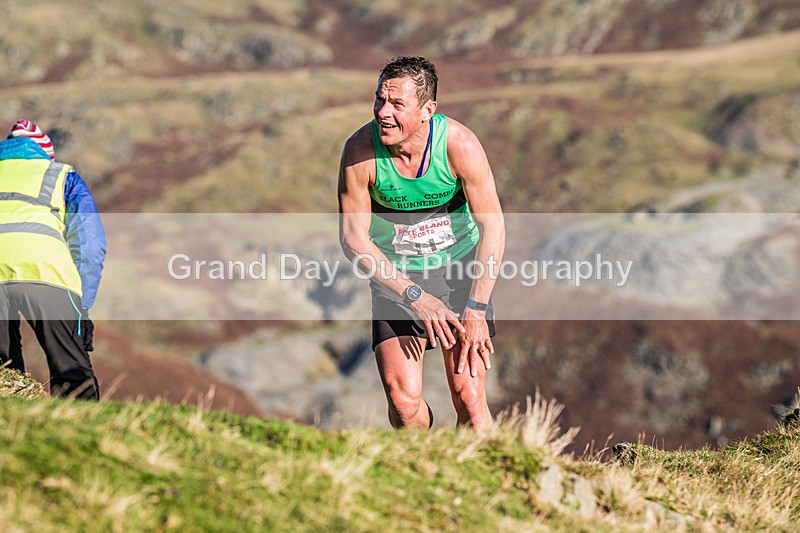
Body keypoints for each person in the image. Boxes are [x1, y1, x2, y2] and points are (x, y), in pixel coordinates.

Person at [338, 57, 505, 431]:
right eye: (379, 100)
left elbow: (493, 228)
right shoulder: (360, 152)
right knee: (403, 404)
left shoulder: (459, 145)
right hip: (397, 279)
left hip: (460, 274)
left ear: (428, 110)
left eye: (397, 105)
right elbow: (353, 239)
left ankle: (484, 479)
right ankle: (422, 471)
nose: (383, 112)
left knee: (471, 401)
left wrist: (475, 310)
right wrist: (414, 294)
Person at [0, 119, 106, 400]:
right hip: (47, 273)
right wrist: (81, 309)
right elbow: (90, 245)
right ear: (44, 154)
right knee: (72, 372)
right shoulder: (61, 175)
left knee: (3, 371)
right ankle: (83, 435)